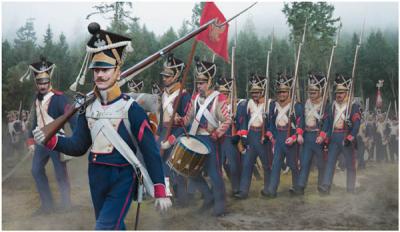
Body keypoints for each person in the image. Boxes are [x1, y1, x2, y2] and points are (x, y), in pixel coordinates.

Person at [33, 22, 171, 229]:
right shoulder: (87, 108)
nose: (99, 75)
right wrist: (51, 140)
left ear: (118, 71)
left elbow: (149, 151)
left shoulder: (131, 109)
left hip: (123, 175)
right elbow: (78, 146)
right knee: (112, 226)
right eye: (96, 69)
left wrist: (160, 189)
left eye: (106, 69)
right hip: (96, 174)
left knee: (104, 228)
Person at [176, 57, 231, 217]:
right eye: (197, 82)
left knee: (214, 174)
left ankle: (220, 205)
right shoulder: (194, 98)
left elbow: (227, 120)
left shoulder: (218, 98)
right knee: (192, 172)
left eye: (202, 82)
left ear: (210, 81)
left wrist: (217, 133)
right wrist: (181, 120)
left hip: (211, 140)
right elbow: (188, 118)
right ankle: (208, 198)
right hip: (196, 138)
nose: (199, 86)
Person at [23, 56, 76, 215]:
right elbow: (34, 121)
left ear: (49, 81)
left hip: (57, 141)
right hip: (41, 142)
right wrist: (31, 141)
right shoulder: (35, 99)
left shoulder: (59, 98)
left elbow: (71, 118)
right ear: (36, 83)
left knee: (61, 173)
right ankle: (47, 205)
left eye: (45, 82)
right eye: (40, 83)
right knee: (36, 170)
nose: (43, 86)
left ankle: (66, 206)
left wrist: (76, 139)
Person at [157, 53, 192, 207]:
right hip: (164, 132)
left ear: (177, 75)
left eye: (168, 76)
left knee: (176, 168)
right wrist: (158, 135)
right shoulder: (164, 94)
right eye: (164, 75)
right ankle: (168, 195)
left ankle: (183, 199)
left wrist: (171, 139)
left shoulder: (184, 95)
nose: (165, 78)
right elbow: (161, 118)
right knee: (162, 166)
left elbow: (187, 123)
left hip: (177, 134)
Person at [318, 74, 361, 194]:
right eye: (337, 92)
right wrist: (322, 135)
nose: (339, 95)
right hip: (333, 137)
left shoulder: (353, 106)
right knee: (330, 163)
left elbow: (357, 124)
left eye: (342, 92)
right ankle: (326, 186)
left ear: (347, 93)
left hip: (346, 137)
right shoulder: (331, 106)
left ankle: (350, 188)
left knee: (350, 165)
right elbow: (327, 123)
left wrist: (350, 137)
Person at [264, 73, 304, 198]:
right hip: (278, 138)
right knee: (275, 165)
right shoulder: (273, 106)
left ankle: (297, 187)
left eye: (285, 91)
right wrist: (271, 136)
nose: (282, 94)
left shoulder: (296, 106)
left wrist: (293, 138)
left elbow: (300, 123)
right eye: (280, 91)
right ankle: (272, 189)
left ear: (289, 92)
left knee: (293, 165)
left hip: (290, 138)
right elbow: (271, 123)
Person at [234, 74, 273, 199]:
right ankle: (243, 191)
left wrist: (267, 135)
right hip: (251, 136)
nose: (255, 94)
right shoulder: (246, 104)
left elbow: (272, 122)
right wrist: (243, 136)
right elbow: (243, 121)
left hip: (263, 138)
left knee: (267, 165)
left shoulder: (269, 104)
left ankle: (268, 189)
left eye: (257, 92)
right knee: (247, 164)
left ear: (262, 91)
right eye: (253, 92)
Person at [293, 73, 328, 195]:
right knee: (304, 163)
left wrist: (322, 135)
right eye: (310, 92)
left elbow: (328, 122)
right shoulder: (306, 104)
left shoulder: (325, 105)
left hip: (318, 137)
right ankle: (301, 186)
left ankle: (322, 186)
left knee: (321, 164)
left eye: (314, 92)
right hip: (307, 136)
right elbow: (301, 120)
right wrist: (299, 134)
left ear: (320, 91)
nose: (311, 94)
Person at [216, 76, 241, 197]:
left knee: (232, 164)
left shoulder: (235, 106)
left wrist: (234, 119)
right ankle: (217, 190)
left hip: (229, 137)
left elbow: (240, 123)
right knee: (217, 164)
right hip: (216, 138)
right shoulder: (215, 105)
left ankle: (236, 187)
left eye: (225, 93)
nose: (222, 96)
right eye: (220, 93)